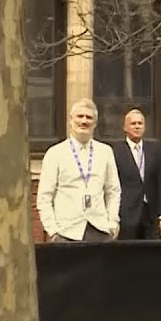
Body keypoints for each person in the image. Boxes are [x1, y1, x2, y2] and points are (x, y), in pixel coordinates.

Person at [36, 99, 122, 242]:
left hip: (99, 229)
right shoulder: (55, 153)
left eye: (89, 117)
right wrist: (53, 231)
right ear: (71, 120)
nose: (84, 121)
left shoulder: (105, 152)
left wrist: (112, 223)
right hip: (66, 231)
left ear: (94, 123)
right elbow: (44, 197)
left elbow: (113, 190)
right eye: (80, 116)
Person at [110, 107, 161, 240]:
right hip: (127, 215)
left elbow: (160, 183)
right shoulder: (116, 151)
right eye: (133, 124)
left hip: (151, 215)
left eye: (140, 123)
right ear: (125, 127)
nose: (137, 127)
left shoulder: (154, 148)